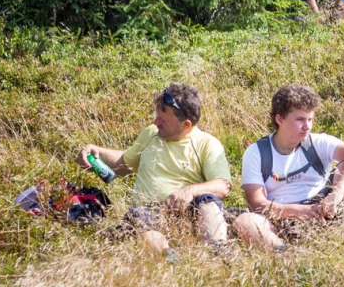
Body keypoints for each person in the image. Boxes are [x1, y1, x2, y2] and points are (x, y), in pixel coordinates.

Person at [77, 84, 231, 256]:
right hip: (149, 215)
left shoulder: (207, 143)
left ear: (186, 125)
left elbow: (223, 186)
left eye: (163, 120)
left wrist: (189, 191)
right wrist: (96, 153)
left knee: (207, 200)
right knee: (140, 216)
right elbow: (124, 163)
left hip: (187, 215)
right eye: (157, 116)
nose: (156, 122)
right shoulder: (151, 133)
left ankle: (218, 252)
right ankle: (170, 259)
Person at [232, 85, 344, 250]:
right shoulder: (256, 152)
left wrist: (337, 194)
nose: (307, 126)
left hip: (324, 210)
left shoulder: (317, 142)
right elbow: (256, 203)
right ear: (279, 119)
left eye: (310, 119)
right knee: (245, 222)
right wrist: (301, 211)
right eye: (300, 120)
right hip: (280, 220)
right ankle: (287, 256)